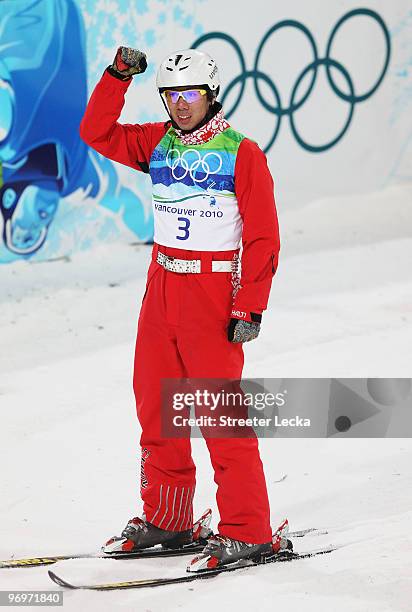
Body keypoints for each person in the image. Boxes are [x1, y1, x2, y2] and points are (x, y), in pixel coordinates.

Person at [80, 46, 280, 572]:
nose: (179, 104)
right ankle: (168, 519)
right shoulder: (156, 141)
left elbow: (262, 236)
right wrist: (117, 77)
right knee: (155, 404)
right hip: (161, 285)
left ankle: (249, 530)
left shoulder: (243, 152)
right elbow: (96, 133)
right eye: (170, 94)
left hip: (212, 295)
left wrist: (250, 307)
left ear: (211, 94)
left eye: (189, 94)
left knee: (219, 414)